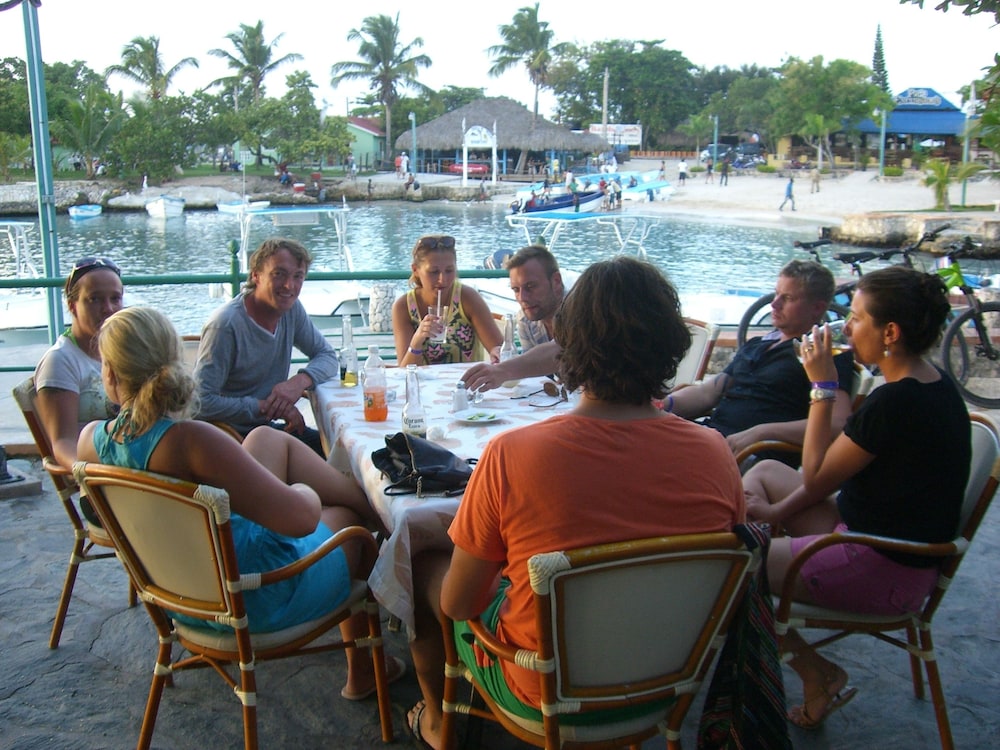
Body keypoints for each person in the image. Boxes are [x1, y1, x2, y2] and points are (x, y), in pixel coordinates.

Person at [404, 257, 746, 749]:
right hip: (664, 685)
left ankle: (439, 724)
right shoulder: (716, 454)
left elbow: (459, 604)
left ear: (570, 348)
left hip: (542, 691)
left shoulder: (511, 456)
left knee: (426, 566)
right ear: (669, 345)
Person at [77, 306, 402, 700]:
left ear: (110, 375)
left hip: (180, 596)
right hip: (254, 596)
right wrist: (302, 491)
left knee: (265, 438)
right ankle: (390, 526)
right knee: (352, 526)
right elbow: (301, 519)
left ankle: (388, 516)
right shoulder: (192, 441)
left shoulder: (92, 441)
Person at [742, 266, 969, 730]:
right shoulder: (934, 384)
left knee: (729, 568)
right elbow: (819, 482)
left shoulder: (894, 403)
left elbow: (816, 471)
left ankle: (815, 671)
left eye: (858, 317)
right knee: (764, 471)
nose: (846, 327)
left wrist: (822, 386)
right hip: (874, 536)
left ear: (890, 332)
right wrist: (776, 512)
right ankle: (765, 551)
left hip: (882, 567)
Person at [667, 260, 855, 464]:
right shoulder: (757, 345)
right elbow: (707, 392)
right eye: (776, 294)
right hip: (711, 439)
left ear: (817, 308)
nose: (774, 304)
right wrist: (661, 405)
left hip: (755, 454)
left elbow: (837, 424)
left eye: (788, 298)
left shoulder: (823, 354)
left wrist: (763, 432)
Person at [193, 238, 338, 456]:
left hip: (265, 429)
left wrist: (298, 382)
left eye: (298, 276)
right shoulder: (225, 325)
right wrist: (264, 407)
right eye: (279, 274)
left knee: (338, 453)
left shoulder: (291, 310)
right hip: (227, 441)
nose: (290, 286)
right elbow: (201, 401)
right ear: (255, 275)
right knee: (329, 464)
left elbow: (327, 355)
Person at [35, 257, 124, 473]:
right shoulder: (60, 361)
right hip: (104, 478)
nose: (108, 308)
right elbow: (62, 442)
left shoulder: (123, 350)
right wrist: (93, 475)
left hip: (131, 463)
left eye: (115, 298)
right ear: (72, 306)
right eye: (94, 299)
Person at [392, 234, 503, 367]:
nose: (442, 280)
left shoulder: (467, 298)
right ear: (416, 270)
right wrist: (417, 341)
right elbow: (404, 371)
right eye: (434, 272)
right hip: (422, 386)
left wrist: (497, 353)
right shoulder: (403, 307)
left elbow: (501, 351)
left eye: (449, 271)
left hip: (466, 383)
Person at [505, 244, 565, 353]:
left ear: (556, 281)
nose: (522, 298)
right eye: (516, 290)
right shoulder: (524, 319)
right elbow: (531, 367)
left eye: (530, 286)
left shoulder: (581, 314)